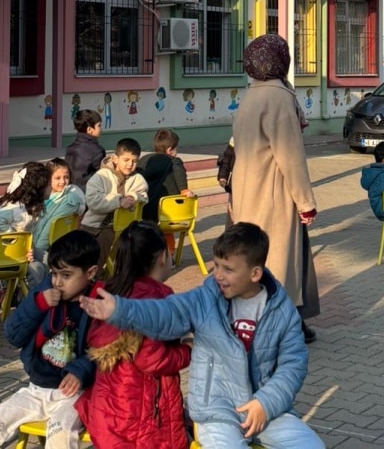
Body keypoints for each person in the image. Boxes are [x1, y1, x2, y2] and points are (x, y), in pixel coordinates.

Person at [79, 223, 324, 449]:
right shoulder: (205, 299)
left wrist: (266, 403)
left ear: (255, 274)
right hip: (216, 413)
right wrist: (121, 310)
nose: (217, 275)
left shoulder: (282, 310)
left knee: (311, 445)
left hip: (265, 409)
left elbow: (293, 365)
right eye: (216, 265)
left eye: (228, 269)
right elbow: (167, 312)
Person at [0, 231, 102, 449]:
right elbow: (13, 336)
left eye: (66, 275)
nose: (58, 282)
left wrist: (81, 370)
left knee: (59, 438)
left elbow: (105, 349)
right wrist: (38, 304)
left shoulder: (100, 303)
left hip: (75, 396)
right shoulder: (44, 293)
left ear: (91, 273)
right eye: (54, 273)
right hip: (35, 390)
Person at [231, 34, 320, 343]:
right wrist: (305, 201)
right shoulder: (279, 96)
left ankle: (268, 322)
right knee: (280, 261)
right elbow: (290, 155)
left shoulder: (252, 93)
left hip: (247, 190)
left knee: (254, 257)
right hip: (273, 190)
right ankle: (279, 328)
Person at [76, 221, 191, 448]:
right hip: (141, 416)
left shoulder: (110, 292)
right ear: (161, 257)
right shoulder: (155, 300)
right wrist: (187, 351)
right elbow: (152, 359)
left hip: (109, 411)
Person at [82, 138, 149, 267]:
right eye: (126, 160)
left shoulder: (138, 179)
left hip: (121, 227)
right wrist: (118, 201)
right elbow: (93, 201)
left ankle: (102, 275)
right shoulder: (101, 176)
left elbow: (144, 196)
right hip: (93, 225)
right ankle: (90, 274)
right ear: (115, 159)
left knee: (131, 238)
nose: (130, 164)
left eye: (134, 161)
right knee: (87, 246)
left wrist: (133, 197)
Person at [27, 158, 86, 289]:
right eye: (57, 178)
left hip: (46, 248)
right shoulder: (44, 198)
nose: (63, 182)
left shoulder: (67, 201)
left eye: (66, 177)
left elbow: (47, 231)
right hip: (41, 246)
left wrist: (36, 251)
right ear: (48, 179)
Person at [0, 161, 50, 237]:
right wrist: (12, 237)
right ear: (38, 189)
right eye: (48, 185)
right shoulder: (13, 207)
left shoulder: (34, 206)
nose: (51, 187)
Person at [138, 129, 193, 224]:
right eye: (176, 149)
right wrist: (184, 189)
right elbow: (178, 171)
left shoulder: (144, 160)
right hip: (166, 211)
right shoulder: (174, 161)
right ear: (169, 150)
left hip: (142, 210)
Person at [66, 109, 106, 191]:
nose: (101, 129)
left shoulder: (70, 148)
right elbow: (100, 176)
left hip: (70, 191)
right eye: (99, 125)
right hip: (89, 192)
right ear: (89, 130)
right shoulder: (98, 151)